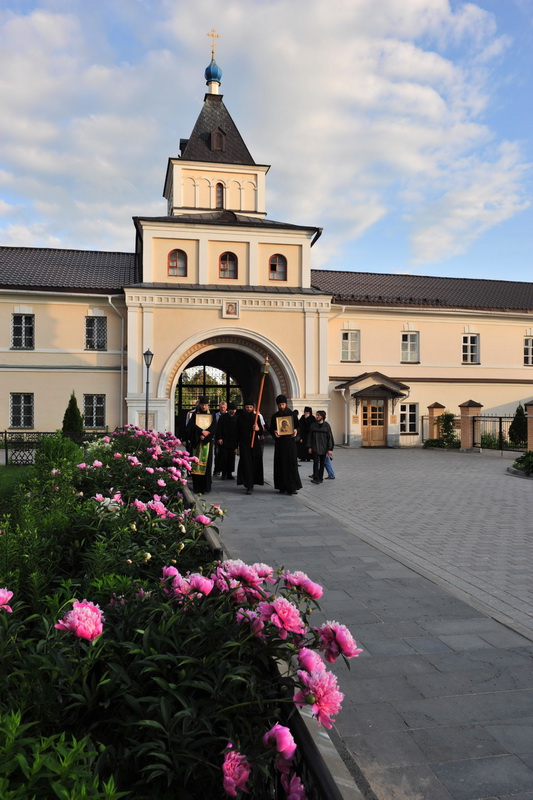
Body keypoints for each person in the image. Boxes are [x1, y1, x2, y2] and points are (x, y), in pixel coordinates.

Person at [269, 394, 302, 495]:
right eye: (280, 405)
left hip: (290, 443)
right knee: (280, 464)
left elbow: (298, 427)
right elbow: (271, 428)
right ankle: (281, 486)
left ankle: (292, 487)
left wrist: (296, 430)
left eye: (283, 404)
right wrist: (274, 432)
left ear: (286, 404)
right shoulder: (275, 416)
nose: (281, 406)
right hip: (280, 444)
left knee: (291, 464)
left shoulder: (292, 415)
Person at [185, 396, 216, 494]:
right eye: (202, 405)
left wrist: (206, 434)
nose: (204, 406)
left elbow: (214, 427)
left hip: (207, 442)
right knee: (196, 463)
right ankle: (197, 487)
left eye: (205, 405)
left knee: (207, 465)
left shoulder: (212, 414)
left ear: (208, 405)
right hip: (197, 442)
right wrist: (200, 433)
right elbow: (191, 427)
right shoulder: (195, 415)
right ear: (200, 405)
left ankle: (205, 487)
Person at [236, 401, 264, 494]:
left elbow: (261, 432)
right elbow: (237, 432)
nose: (249, 409)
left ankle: (251, 482)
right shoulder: (240, 418)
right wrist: (236, 447)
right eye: (247, 407)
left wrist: (258, 429)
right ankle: (249, 485)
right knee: (246, 465)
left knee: (253, 464)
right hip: (244, 445)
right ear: (244, 407)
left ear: (253, 408)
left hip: (255, 444)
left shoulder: (256, 418)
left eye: (250, 407)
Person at [307, 410, 334, 484]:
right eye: (316, 415)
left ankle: (320, 478)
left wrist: (330, 449)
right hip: (315, 447)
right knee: (315, 463)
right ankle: (316, 478)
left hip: (324, 448)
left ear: (323, 416)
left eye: (318, 415)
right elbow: (310, 436)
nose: (317, 416)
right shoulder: (313, 425)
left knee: (322, 463)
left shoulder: (327, 426)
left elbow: (330, 437)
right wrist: (309, 446)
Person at [215, 402, 238, 480]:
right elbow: (218, 428)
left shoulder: (237, 418)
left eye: (234, 410)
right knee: (224, 457)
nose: (233, 411)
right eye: (231, 409)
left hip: (233, 441)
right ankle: (224, 473)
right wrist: (219, 438)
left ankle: (229, 473)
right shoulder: (223, 417)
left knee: (231, 458)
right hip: (224, 441)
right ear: (228, 410)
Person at [213, 401, 228, 476]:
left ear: (226, 407)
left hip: (227, 438)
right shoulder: (216, 416)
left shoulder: (229, 415)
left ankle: (226, 471)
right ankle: (217, 470)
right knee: (217, 454)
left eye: (224, 407)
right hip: (217, 438)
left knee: (226, 455)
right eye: (221, 407)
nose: (222, 409)